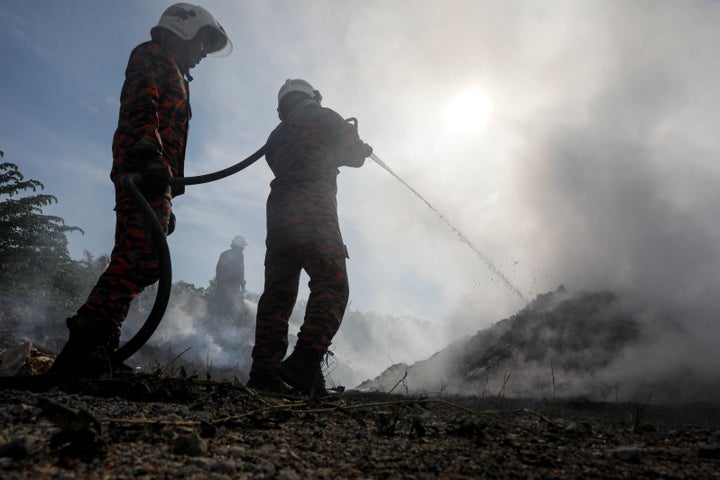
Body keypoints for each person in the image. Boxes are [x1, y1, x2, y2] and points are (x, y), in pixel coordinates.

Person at [49, 3, 232, 376]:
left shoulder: (176, 72)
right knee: (138, 259)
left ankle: (97, 349)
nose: (202, 54)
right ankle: (84, 348)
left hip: (153, 177)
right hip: (141, 169)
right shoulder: (151, 55)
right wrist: (148, 157)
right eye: (202, 43)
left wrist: (167, 197)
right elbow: (141, 104)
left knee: (142, 260)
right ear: (183, 29)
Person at [247, 79, 373, 395]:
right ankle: (305, 360)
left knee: (277, 294)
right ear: (312, 97)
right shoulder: (326, 116)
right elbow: (352, 154)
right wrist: (362, 149)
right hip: (314, 207)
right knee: (331, 282)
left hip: (278, 216)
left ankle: (263, 375)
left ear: (282, 108)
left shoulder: (275, 136)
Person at [212, 235, 249, 323]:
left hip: (221, 287)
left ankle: (214, 327)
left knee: (220, 310)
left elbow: (218, 270)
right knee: (231, 310)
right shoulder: (239, 254)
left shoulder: (224, 254)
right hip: (231, 287)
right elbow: (240, 271)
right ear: (240, 245)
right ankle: (221, 329)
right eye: (243, 245)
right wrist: (242, 285)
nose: (244, 247)